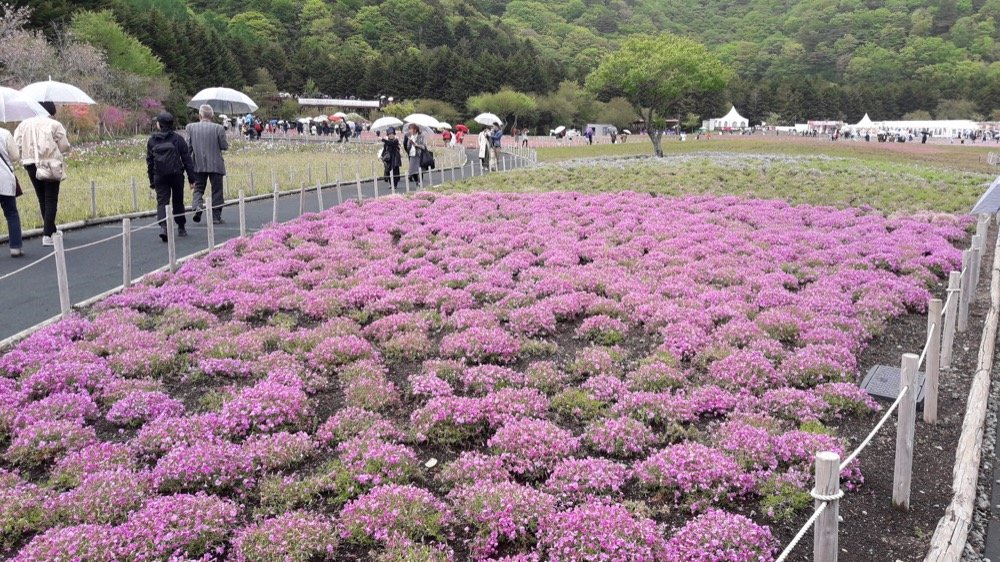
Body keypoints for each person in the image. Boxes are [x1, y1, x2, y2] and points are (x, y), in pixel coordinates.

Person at [14, 101, 70, 247]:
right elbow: (64, 146)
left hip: (30, 164)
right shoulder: (54, 124)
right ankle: (47, 234)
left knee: (42, 198)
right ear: (51, 111)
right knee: (51, 198)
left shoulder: (23, 124)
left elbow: (17, 145)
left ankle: (52, 230)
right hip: (50, 164)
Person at [146, 112, 196, 242]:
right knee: (178, 201)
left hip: (159, 175)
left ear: (159, 125)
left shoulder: (152, 141)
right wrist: (192, 179)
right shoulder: (178, 139)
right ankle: (181, 226)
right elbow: (187, 159)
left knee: (162, 201)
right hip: (176, 174)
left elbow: (150, 162)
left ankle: (164, 227)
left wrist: (152, 180)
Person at [186, 104, 229, 225]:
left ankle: (198, 206)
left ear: (200, 115)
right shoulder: (218, 128)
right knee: (217, 190)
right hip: (215, 163)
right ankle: (216, 216)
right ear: (212, 116)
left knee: (198, 188)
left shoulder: (190, 127)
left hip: (198, 163)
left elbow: (188, 147)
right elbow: (224, 146)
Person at [0, 126, 23, 257]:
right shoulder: (4, 133)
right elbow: (15, 156)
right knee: (11, 214)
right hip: (4, 179)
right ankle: (15, 247)